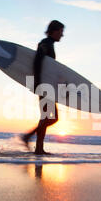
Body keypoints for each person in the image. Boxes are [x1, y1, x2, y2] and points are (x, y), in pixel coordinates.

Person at [22, 20, 64, 155]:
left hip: (48, 85)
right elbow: (37, 62)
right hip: (44, 85)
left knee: (46, 117)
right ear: (54, 30)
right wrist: (38, 82)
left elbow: (47, 67)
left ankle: (38, 148)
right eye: (60, 32)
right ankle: (28, 137)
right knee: (52, 117)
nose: (62, 35)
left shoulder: (49, 44)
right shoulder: (45, 44)